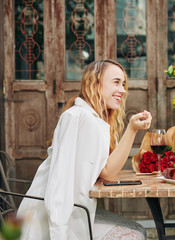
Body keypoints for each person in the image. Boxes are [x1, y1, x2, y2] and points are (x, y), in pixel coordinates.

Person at [17, 59, 152, 239]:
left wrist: (132, 129)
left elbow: (108, 173)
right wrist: (59, 232)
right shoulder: (76, 117)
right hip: (47, 221)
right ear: (95, 83)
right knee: (134, 235)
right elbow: (59, 179)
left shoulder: (96, 120)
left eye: (124, 84)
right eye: (116, 82)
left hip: (76, 211)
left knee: (139, 230)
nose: (122, 90)